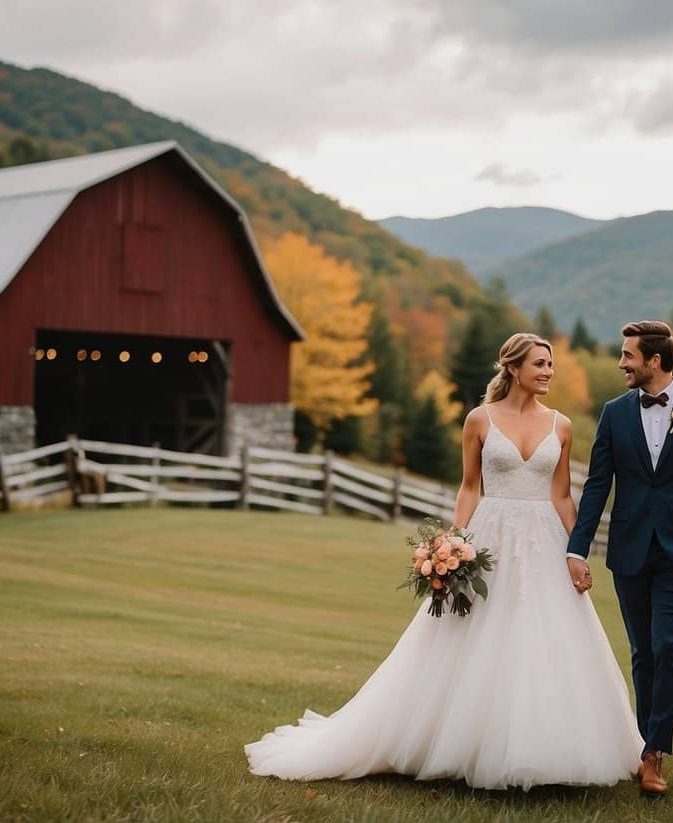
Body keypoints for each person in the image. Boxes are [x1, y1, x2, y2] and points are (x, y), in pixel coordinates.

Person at [246, 332, 643, 790]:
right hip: (490, 536)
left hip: (544, 543)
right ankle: (456, 743)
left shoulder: (562, 425)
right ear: (513, 368)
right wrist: (456, 543)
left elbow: (560, 494)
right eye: (539, 364)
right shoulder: (479, 419)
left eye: (550, 364)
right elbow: (469, 486)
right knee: (471, 635)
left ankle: (546, 751)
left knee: (546, 638)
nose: (548, 372)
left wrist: (576, 551)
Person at [566, 320, 673, 797]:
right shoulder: (614, 413)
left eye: (627, 355)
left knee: (667, 647)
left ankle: (654, 753)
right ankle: (643, 743)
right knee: (642, 652)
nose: (621, 363)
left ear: (653, 361)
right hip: (630, 549)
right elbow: (598, 484)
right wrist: (577, 547)